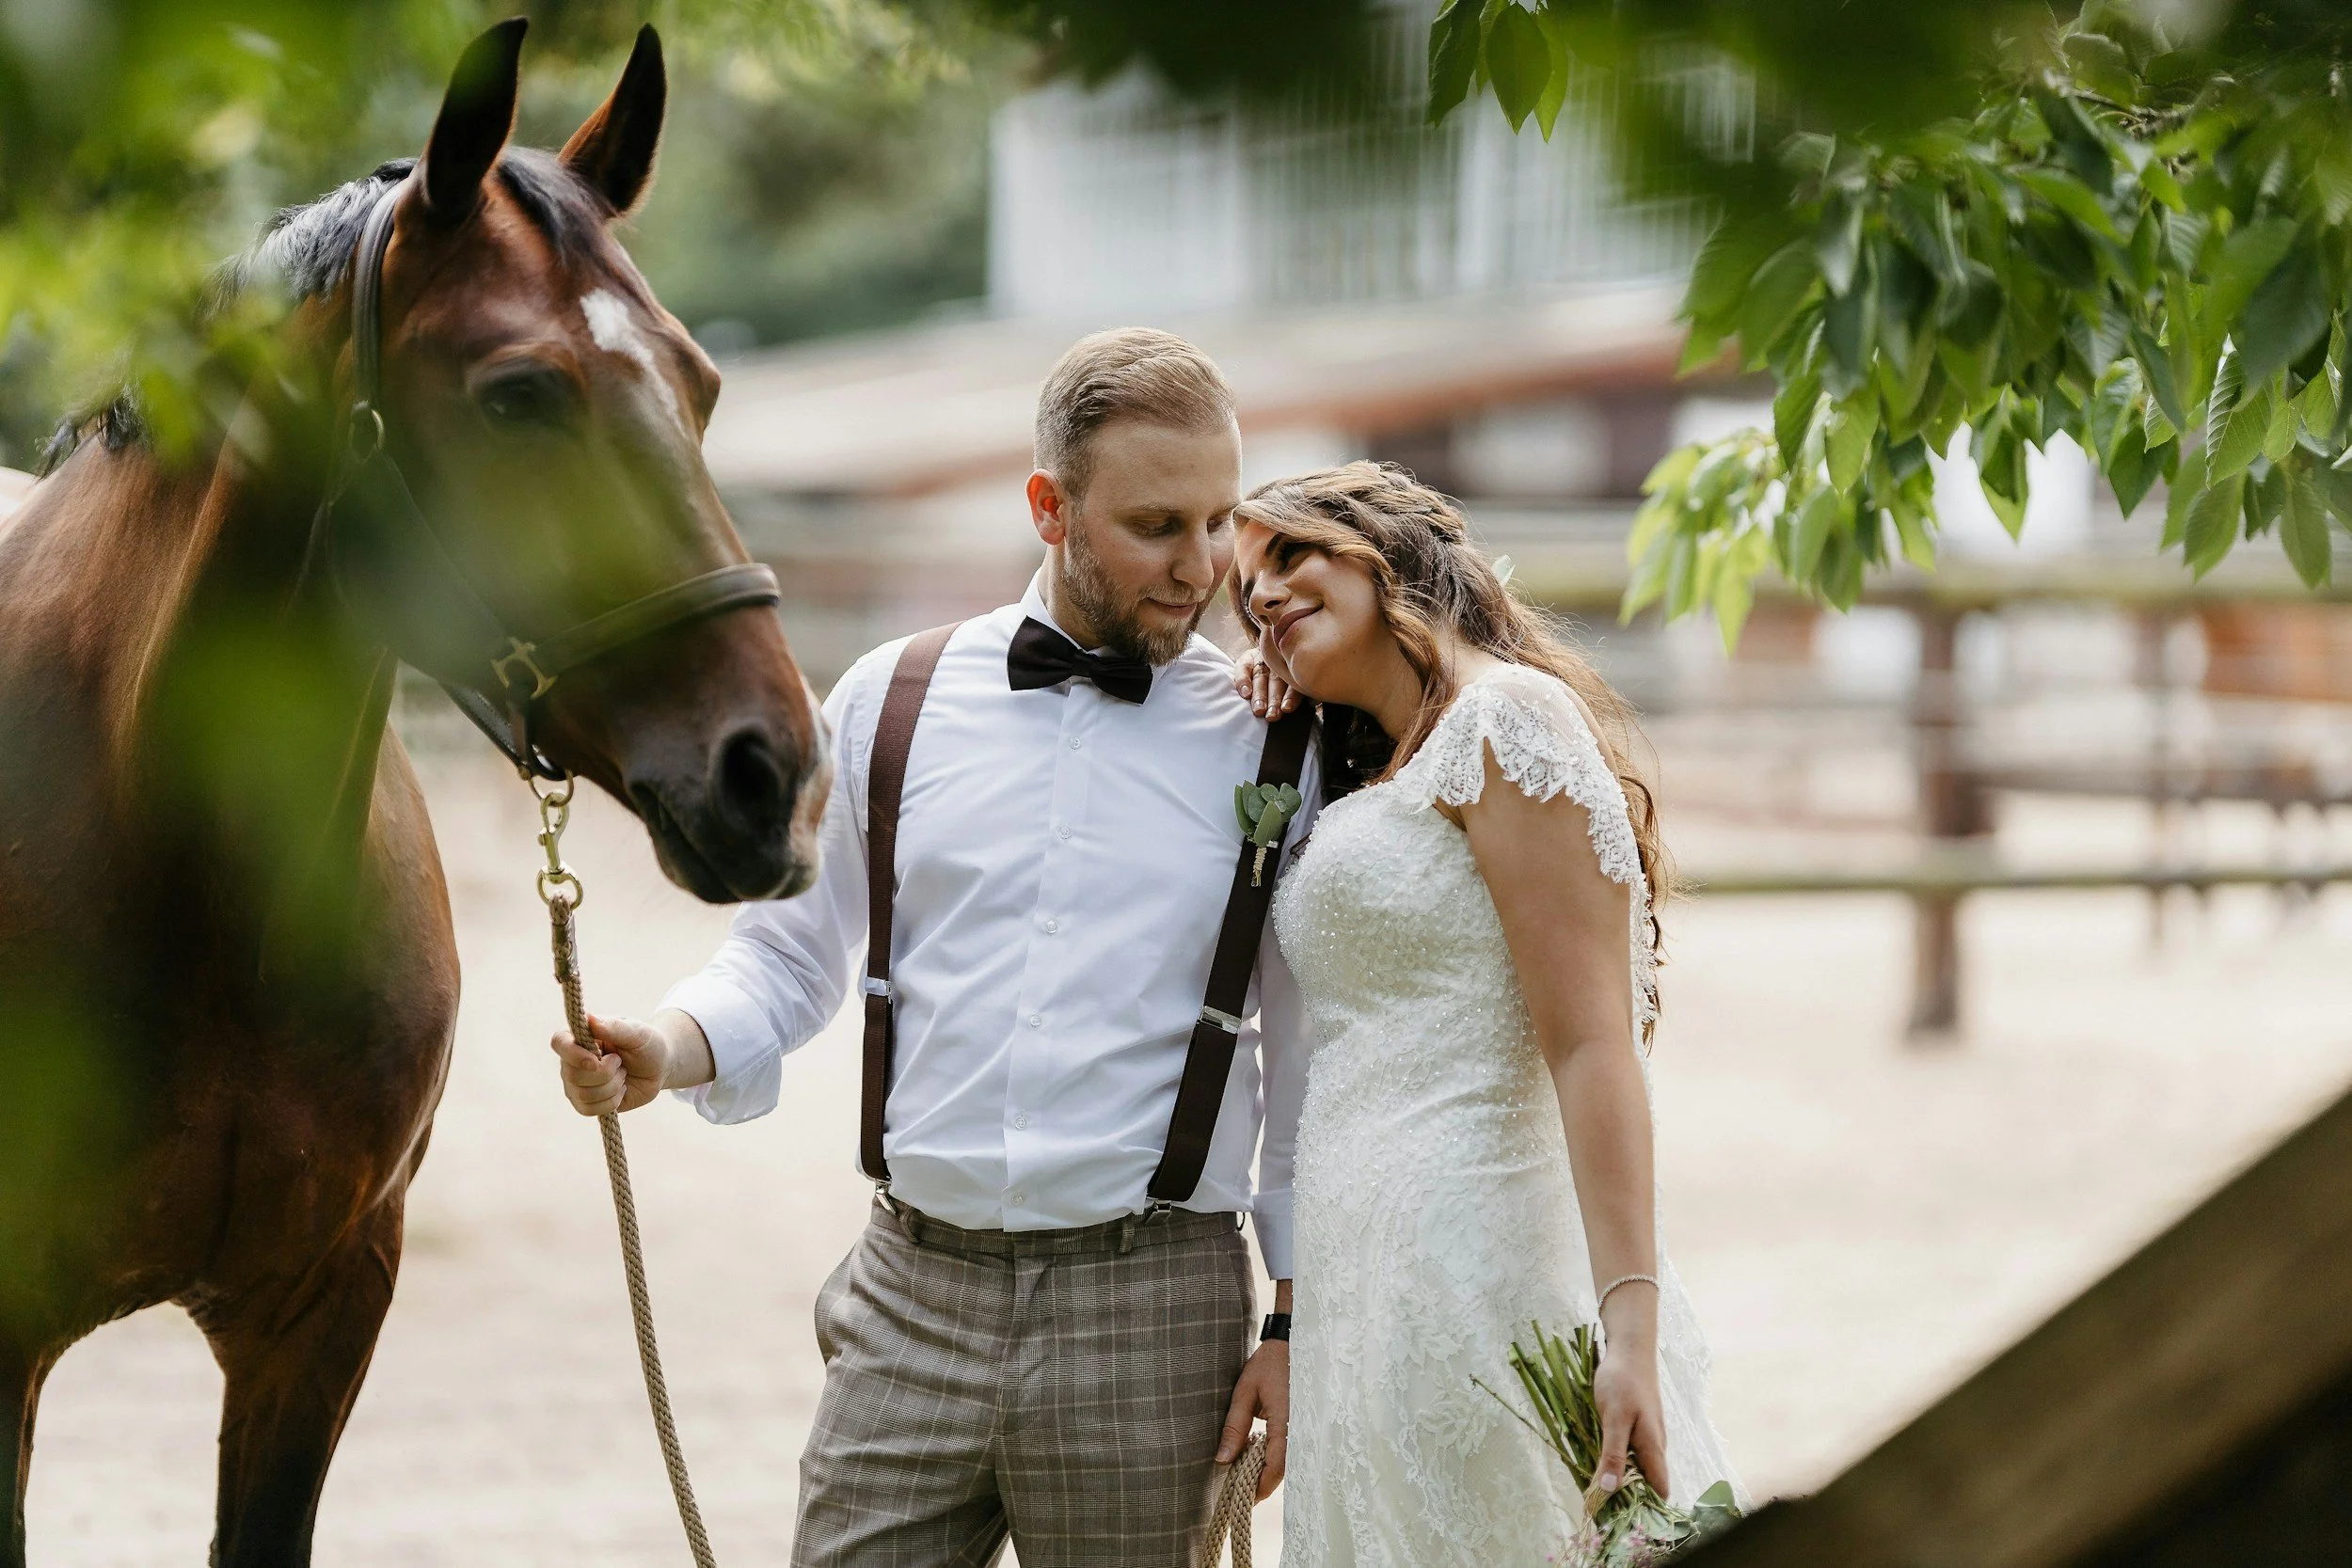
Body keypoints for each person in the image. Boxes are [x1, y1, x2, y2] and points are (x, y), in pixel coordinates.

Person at [551, 327, 1315, 1568]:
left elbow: (1304, 1061)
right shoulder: (889, 699)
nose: (1206, 567)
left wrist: (1294, 1316)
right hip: (911, 1291)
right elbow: (790, 958)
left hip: (1155, 1305)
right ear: (1049, 508)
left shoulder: (1268, 742)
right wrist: (666, 1046)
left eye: (1223, 519)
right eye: (1159, 525)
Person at [1228, 462, 1742, 1565]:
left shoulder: (1505, 721)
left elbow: (1593, 1041)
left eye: (1288, 555)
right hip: (1366, 1291)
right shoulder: (1372, 766)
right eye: (1246, 587)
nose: (1261, 594)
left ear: (1382, 555)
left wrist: (1630, 1331)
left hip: (1484, 1269)